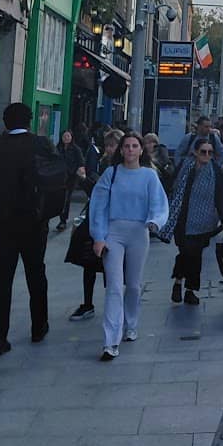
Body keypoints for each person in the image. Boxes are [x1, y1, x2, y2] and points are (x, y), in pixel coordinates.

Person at [0, 102, 55, 355]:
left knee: (2, 276)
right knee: (36, 273)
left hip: (3, 223)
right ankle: (39, 325)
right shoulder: (41, 145)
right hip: (34, 221)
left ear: (5, 122)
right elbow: (56, 179)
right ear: (29, 121)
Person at [89, 132, 169, 359]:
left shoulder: (149, 176)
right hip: (113, 233)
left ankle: (131, 323)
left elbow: (159, 203)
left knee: (133, 285)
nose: (131, 150)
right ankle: (110, 341)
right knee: (114, 287)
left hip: (138, 233)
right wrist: (98, 236)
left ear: (142, 150)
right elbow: (98, 207)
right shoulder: (110, 174)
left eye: (135, 146)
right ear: (120, 150)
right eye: (127, 146)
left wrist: (155, 221)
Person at [163, 137, 223, 305]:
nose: (207, 155)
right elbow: (172, 187)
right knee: (186, 253)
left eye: (210, 152)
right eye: (203, 152)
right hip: (182, 219)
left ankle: (189, 290)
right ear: (195, 152)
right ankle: (178, 281)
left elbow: (220, 195)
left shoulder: (214, 170)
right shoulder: (186, 168)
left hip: (204, 221)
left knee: (196, 255)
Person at [70, 128, 122, 321]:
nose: (109, 149)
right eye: (107, 145)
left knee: (111, 264)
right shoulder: (102, 163)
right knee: (89, 262)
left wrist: (87, 181)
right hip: (95, 217)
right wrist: (84, 181)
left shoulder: (121, 167)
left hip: (113, 220)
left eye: (113, 145)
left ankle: (113, 302)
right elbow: (96, 194)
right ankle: (88, 303)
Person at [55, 128, 86, 232]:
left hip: (71, 177)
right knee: (60, 198)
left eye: (68, 136)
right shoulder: (58, 148)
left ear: (72, 137)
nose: (66, 138)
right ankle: (62, 217)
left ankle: (63, 220)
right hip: (60, 177)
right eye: (64, 136)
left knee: (66, 198)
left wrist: (79, 170)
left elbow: (81, 162)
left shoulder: (76, 149)